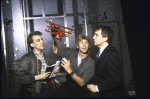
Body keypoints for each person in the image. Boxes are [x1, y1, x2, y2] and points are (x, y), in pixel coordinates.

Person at [87, 25, 127, 97]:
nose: (93, 37)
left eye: (96, 35)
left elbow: (117, 80)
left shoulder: (111, 54)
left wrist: (97, 88)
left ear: (105, 38)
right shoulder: (101, 52)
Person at [16, 31, 53, 98]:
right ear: (32, 44)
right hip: (35, 91)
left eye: (41, 39)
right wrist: (37, 77)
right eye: (38, 40)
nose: (42, 42)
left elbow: (48, 72)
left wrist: (53, 72)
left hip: (48, 88)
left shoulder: (46, 56)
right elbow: (20, 78)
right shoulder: (25, 58)